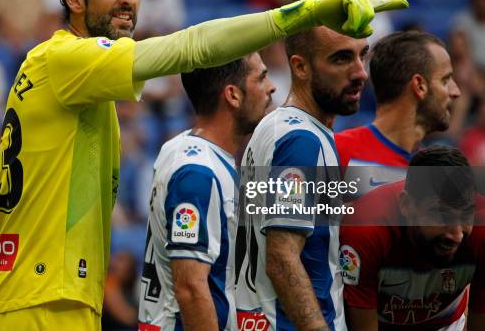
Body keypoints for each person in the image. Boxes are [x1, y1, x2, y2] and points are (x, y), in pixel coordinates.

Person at [0, 0, 408, 330]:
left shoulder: (90, 89)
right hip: (45, 295)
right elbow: (248, 266)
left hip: (54, 293)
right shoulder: (283, 142)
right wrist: (300, 14)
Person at [235, 25, 370, 330]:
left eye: (363, 55)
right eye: (341, 59)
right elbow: (282, 260)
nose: (361, 72)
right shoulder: (301, 140)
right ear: (300, 66)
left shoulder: (279, 127)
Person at [138, 53, 275, 330]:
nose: (271, 87)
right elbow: (190, 287)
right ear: (233, 95)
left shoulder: (180, 148)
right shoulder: (199, 173)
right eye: (261, 77)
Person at [340, 146, 485, 330]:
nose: (457, 235)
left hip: (445, 323)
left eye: (465, 215)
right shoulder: (366, 229)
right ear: (406, 205)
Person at [335, 31, 461, 194]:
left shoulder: (439, 175)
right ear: (419, 86)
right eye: (445, 80)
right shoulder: (335, 153)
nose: (456, 91)